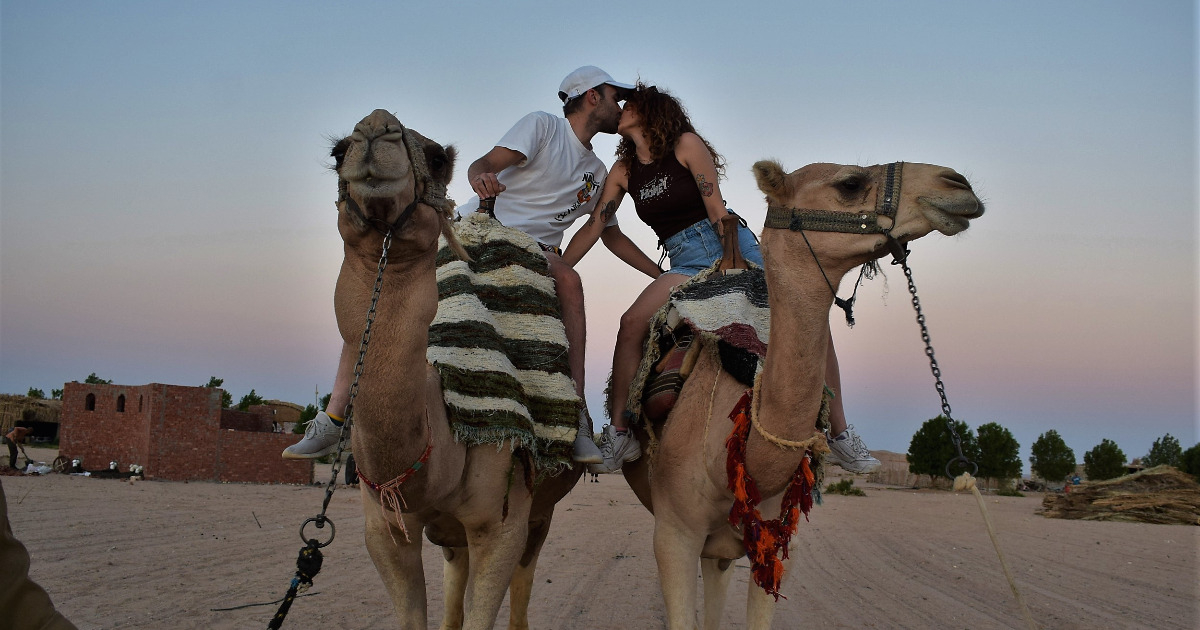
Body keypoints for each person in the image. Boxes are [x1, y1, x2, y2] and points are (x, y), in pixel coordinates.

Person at [284, 66, 660, 466]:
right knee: (387, 283)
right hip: (479, 226)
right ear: (591, 96)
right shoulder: (544, 127)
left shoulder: (598, 173)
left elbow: (610, 233)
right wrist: (482, 180)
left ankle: (577, 417)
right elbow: (483, 163)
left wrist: (659, 274)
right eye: (614, 95)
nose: (620, 104)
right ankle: (335, 416)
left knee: (570, 282)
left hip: (537, 251)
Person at [561, 83, 879, 474]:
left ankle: (840, 433)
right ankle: (620, 432)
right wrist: (561, 268)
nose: (623, 106)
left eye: (633, 101)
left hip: (728, 242)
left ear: (654, 109)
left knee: (805, 315)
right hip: (683, 258)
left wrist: (734, 262)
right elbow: (597, 226)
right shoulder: (624, 171)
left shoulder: (685, 145)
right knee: (631, 324)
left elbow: (716, 208)